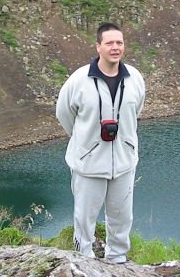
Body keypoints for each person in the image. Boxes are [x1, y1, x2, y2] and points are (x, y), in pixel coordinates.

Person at [56, 22, 145, 264]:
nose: (115, 47)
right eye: (109, 43)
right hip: (89, 164)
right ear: (98, 47)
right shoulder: (79, 80)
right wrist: (85, 142)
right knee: (85, 217)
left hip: (124, 162)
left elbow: (136, 110)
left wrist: (125, 141)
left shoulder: (134, 78)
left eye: (119, 42)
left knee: (122, 216)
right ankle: (83, 259)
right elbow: (64, 113)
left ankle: (117, 258)